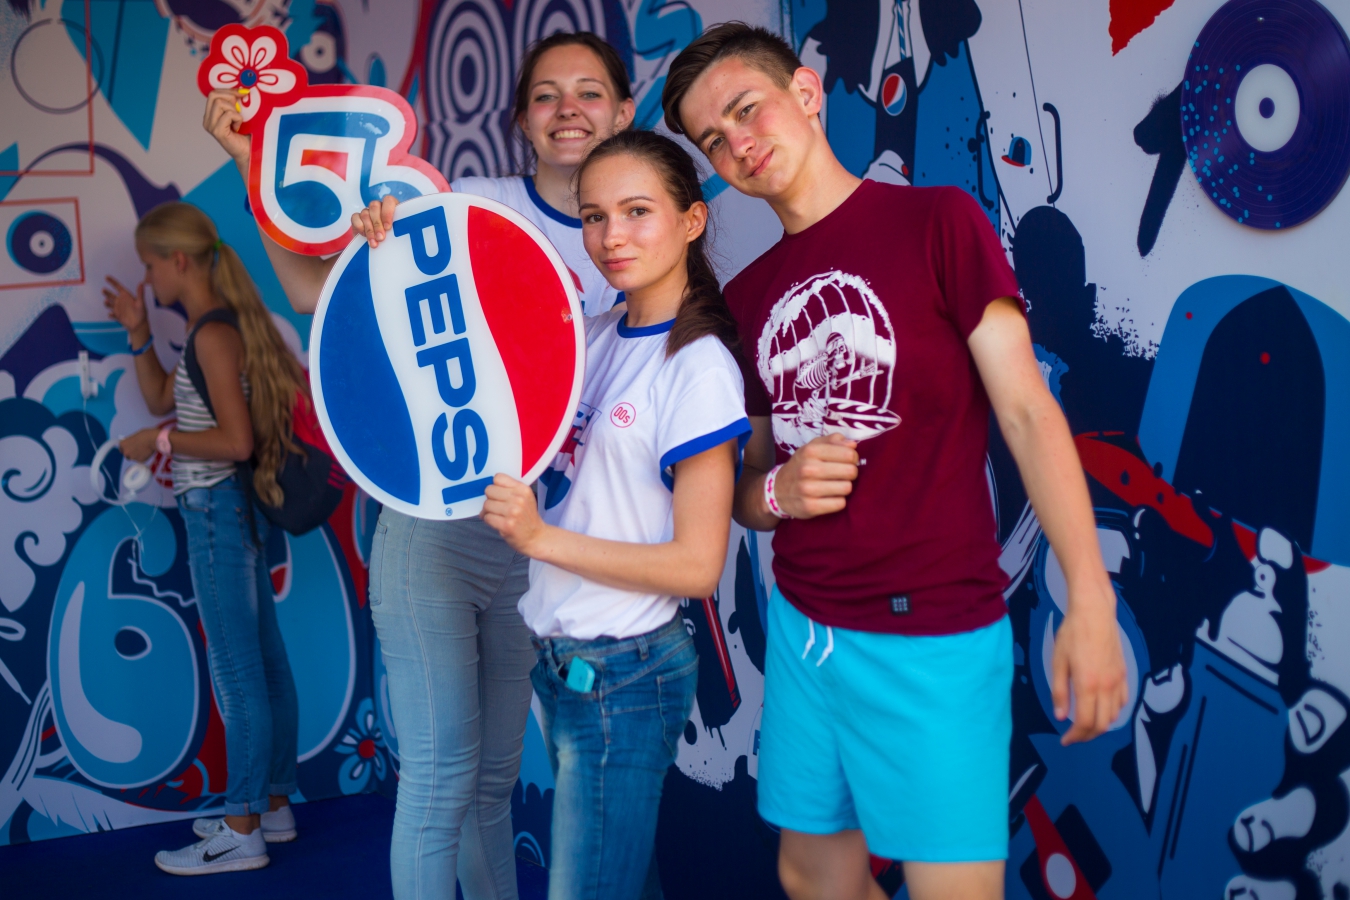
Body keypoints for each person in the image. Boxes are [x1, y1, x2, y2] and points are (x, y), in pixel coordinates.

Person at [661, 23, 1129, 900]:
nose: (737, 144)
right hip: (807, 631)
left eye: (746, 109)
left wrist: (1090, 597)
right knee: (812, 874)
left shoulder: (938, 220)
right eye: (713, 140)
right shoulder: (746, 298)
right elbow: (747, 490)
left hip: (934, 631)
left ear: (806, 93)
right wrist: (778, 490)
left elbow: (1029, 413)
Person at [202, 31, 636, 900]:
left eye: (590, 92)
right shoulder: (468, 207)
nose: (569, 110)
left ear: (623, 112)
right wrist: (255, 168)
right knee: (440, 783)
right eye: (547, 95)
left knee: (493, 783)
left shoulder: (638, 232)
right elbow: (312, 295)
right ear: (521, 119)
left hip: (541, 546)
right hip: (435, 535)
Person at [480, 128, 750, 900]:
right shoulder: (590, 338)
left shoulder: (698, 367)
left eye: (637, 211)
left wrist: (540, 538)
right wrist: (388, 235)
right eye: (594, 216)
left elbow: (696, 566)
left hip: (625, 672)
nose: (611, 236)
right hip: (562, 661)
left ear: (691, 220)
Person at [105, 202, 302, 875]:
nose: (148, 278)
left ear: (178, 260)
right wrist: (139, 333)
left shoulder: (214, 333)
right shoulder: (209, 330)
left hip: (217, 510)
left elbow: (235, 442)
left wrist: (156, 442)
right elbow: (164, 398)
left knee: (240, 674)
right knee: (264, 663)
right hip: (230, 510)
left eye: (150, 265)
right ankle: (272, 806)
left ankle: (241, 830)